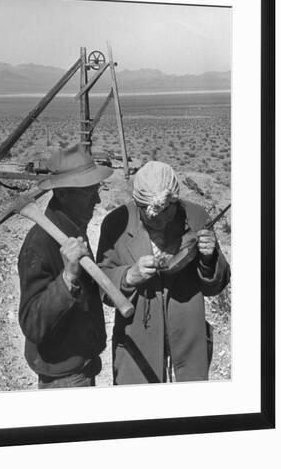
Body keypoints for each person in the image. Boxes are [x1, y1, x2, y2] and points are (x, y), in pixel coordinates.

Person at [96, 161, 230, 384]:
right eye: (146, 212)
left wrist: (209, 258)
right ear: (137, 203)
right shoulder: (116, 224)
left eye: (163, 211)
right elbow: (101, 281)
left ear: (174, 203)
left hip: (188, 338)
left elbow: (214, 286)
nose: (155, 218)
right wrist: (128, 276)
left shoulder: (197, 218)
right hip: (137, 342)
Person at [18, 143, 113, 389]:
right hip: (63, 378)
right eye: (89, 191)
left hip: (82, 364)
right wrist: (67, 279)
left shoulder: (72, 228)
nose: (98, 199)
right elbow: (32, 324)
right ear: (63, 193)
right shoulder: (39, 244)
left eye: (96, 189)